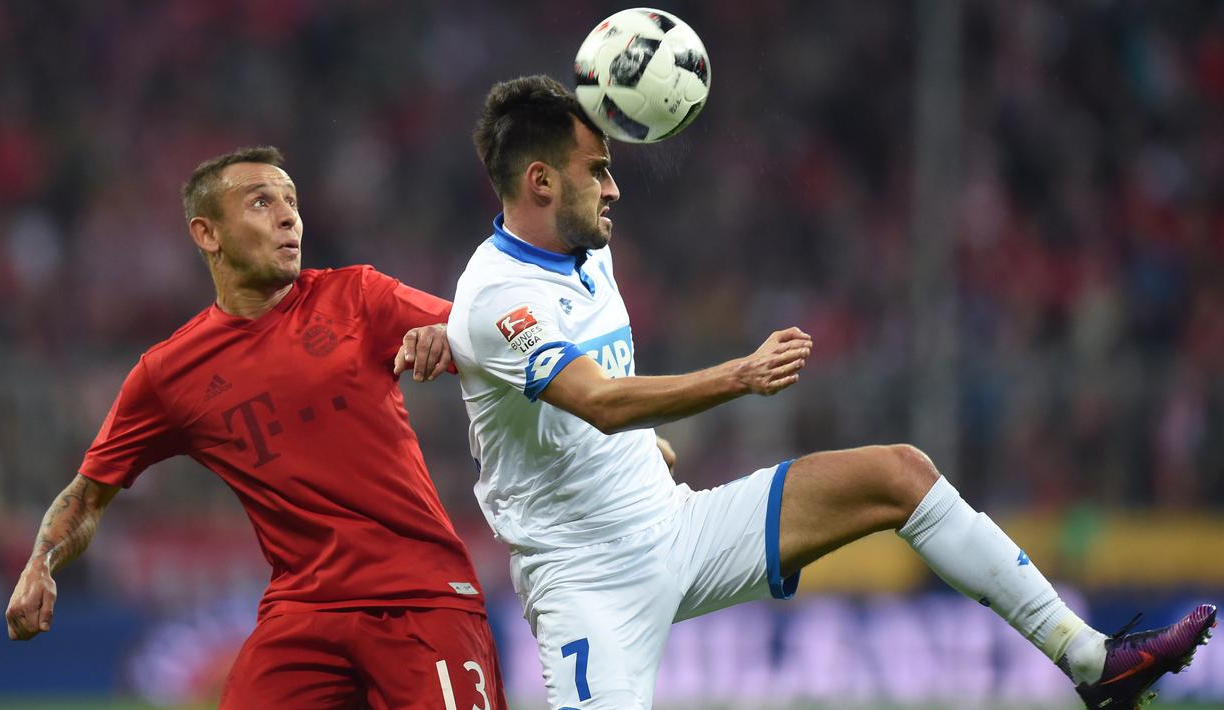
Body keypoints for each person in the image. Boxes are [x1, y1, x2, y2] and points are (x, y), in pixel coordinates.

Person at [446, 75, 1216, 710]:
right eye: (597, 171)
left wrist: (435, 333)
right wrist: (739, 375)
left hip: (677, 526)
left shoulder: (580, 253)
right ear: (539, 181)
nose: (613, 188)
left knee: (897, 474)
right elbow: (596, 398)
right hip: (586, 583)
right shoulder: (495, 295)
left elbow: (570, 386)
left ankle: (1093, 662)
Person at [4, 146, 508, 710]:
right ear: (207, 233)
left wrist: (451, 337)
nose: (289, 216)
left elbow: (498, 341)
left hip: (422, 595)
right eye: (261, 202)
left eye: (291, 202)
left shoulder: (358, 296)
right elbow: (87, 494)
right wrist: (39, 563)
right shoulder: (169, 374)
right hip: (305, 612)